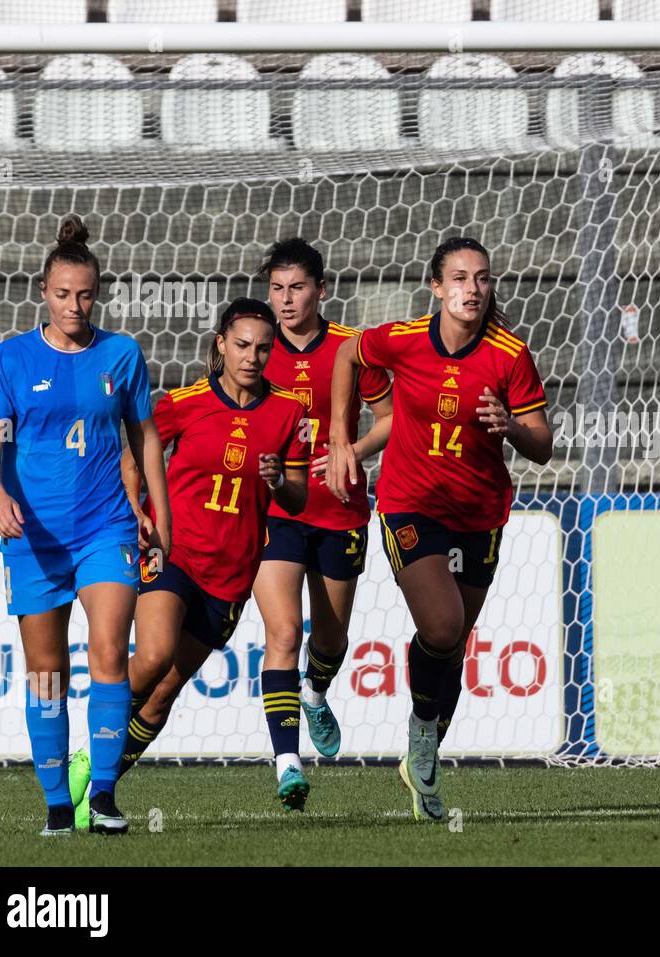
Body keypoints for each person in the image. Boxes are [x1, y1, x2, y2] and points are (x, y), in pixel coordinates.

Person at [325, 237, 553, 822]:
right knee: (444, 625)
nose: (471, 289)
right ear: (436, 286)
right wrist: (339, 440)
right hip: (409, 506)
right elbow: (350, 354)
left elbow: (543, 445)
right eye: (458, 278)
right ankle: (423, 731)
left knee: (453, 645)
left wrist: (510, 426)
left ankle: (419, 746)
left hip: (480, 513)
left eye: (481, 278)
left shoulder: (509, 354)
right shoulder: (401, 340)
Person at [0, 214, 171, 836]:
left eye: (85, 295)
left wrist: (157, 518)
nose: (74, 306)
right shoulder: (12, 358)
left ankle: (104, 795)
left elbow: (145, 436)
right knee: (48, 670)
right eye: (63, 295)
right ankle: (58, 802)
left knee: (111, 651)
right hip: (33, 536)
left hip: (105, 526)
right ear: (43, 293)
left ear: (98, 293)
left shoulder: (121, 354)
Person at [113, 299, 310, 806]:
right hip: (173, 552)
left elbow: (298, 494)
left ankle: (101, 786)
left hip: (230, 575)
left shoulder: (288, 411)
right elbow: (134, 454)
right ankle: (91, 745)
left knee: (159, 700)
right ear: (221, 343)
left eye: (264, 348)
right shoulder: (185, 402)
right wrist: (137, 513)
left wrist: (279, 482)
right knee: (153, 656)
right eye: (242, 345)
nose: (253, 357)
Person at [253, 239, 393, 809]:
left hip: (339, 508)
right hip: (277, 512)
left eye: (297, 288)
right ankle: (287, 763)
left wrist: (351, 451)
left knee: (330, 636)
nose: (285, 301)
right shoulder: (255, 348)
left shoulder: (351, 350)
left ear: (321, 290)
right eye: (277, 289)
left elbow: (391, 418)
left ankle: (314, 690)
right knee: (283, 634)